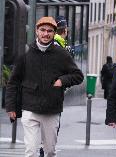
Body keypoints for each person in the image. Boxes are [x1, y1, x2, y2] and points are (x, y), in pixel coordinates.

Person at [5, 16, 84, 157]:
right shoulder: (26, 54)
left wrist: (62, 80)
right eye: (42, 30)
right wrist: (10, 106)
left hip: (51, 110)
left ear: (54, 33)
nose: (45, 34)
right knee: (30, 151)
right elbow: (13, 81)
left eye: (49, 31)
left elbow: (78, 75)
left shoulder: (62, 54)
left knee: (49, 151)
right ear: (36, 31)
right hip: (30, 108)